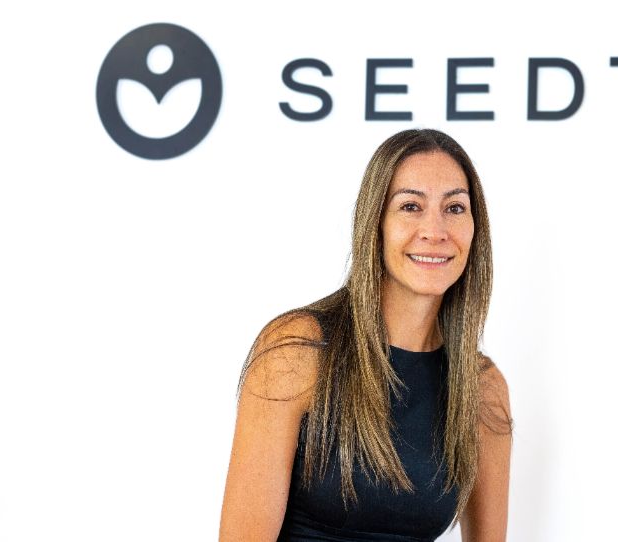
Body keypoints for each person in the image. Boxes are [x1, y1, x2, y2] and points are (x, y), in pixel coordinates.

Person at [219, 129, 513, 542]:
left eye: (455, 208)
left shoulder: (483, 389)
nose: (435, 230)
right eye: (410, 206)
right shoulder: (299, 350)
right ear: (375, 223)